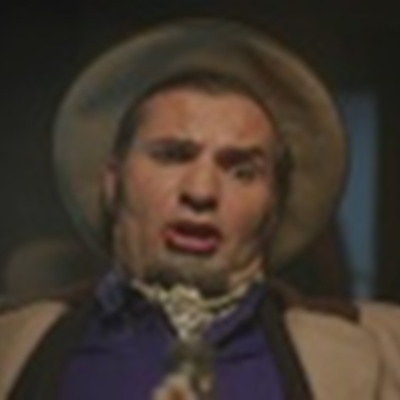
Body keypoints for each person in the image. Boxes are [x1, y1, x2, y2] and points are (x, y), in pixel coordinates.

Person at [1, 18, 400, 400]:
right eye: (172, 156)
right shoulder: (16, 345)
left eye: (242, 172)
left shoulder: (381, 352)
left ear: (272, 207)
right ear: (113, 182)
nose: (201, 191)